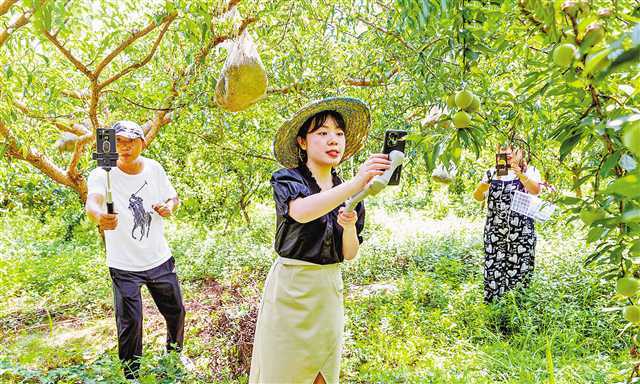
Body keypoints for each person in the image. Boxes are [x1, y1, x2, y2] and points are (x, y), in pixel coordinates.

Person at [249, 97, 391, 384]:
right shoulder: (288, 179)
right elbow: (301, 212)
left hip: (327, 291)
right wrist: (356, 183)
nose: (333, 140)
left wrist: (348, 226)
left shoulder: (350, 193)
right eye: (322, 133)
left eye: (339, 133)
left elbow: (349, 253)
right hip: (292, 289)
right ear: (302, 142)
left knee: (322, 375)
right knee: (282, 372)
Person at [85, 121, 191, 381]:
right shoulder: (102, 172)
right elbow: (92, 204)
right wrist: (100, 217)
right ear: (111, 144)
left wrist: (169, 207)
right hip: (124, 265)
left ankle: (174, 356)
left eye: (131, 140)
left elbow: (173, 197)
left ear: (142, 142)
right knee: (130, 322)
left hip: (158, 258)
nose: (125, 146)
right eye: (118, 141)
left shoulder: (154, 169)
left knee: (176, 311)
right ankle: (131, 375)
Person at [473, 142, 542, 303]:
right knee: (494, 268)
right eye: (503, 149)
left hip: (522, 233)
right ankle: (494, 308)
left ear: (521, 152)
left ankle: (517, 308)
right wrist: (484, 184)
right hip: (495, 232)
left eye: (512, 149)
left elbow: (536, 190)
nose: (508, 152)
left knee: (520, 270)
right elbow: (477, 197)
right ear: (498, 152)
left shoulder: (530, 171)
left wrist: (519, 173)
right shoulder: (491, 172)